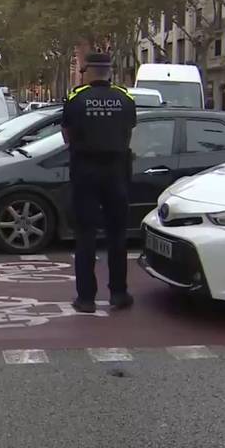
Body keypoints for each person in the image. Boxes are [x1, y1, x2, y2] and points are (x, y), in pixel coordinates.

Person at [62, 52, 137, 312]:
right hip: (117, 172)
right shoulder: (125, 98)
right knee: (117, 235)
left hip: (85, 172)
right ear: (109, 71)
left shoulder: (76, 98)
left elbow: (66, 136)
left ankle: (86, 298)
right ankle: (119, 293)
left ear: (89, 71)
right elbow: (129, 131)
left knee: (86, 236)